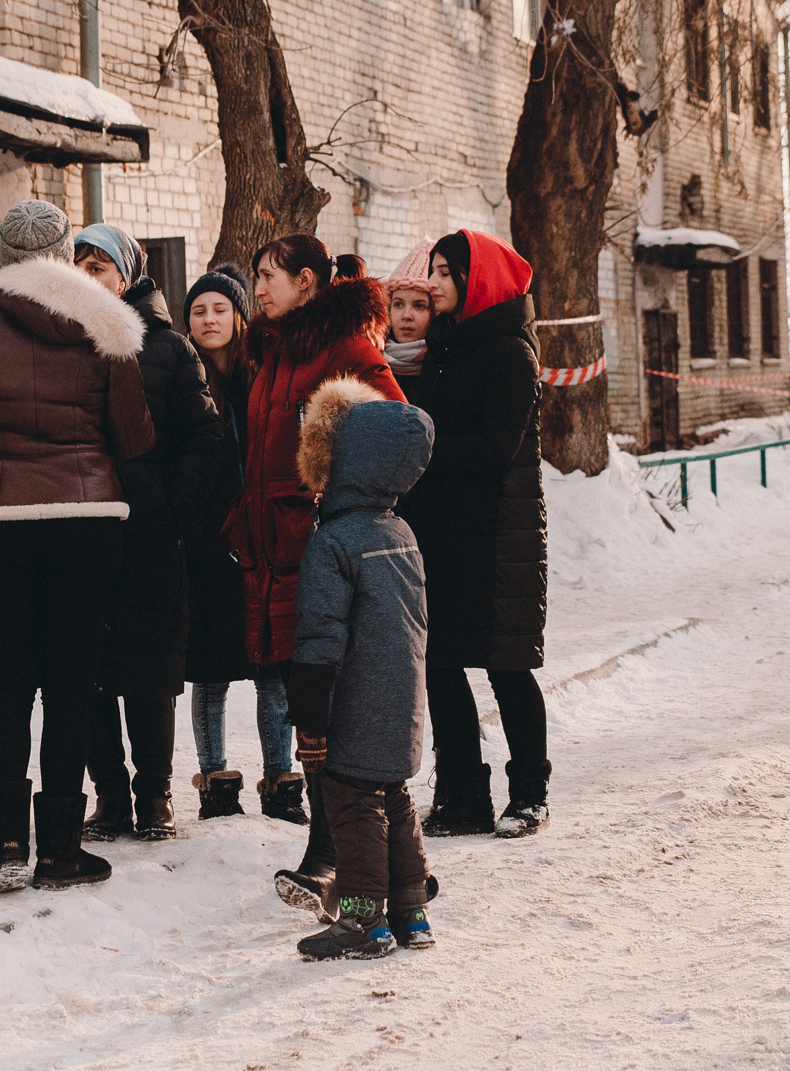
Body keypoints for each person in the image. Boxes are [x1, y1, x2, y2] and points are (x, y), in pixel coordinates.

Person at [0, 199, 155, 895]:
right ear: (64, 254)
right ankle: (61, 848)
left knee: (8, 682)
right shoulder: (107, 328)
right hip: (87, 519)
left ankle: (4, 847)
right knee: (73, 684)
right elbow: (135, 437)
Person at [226, 234, 402, 836]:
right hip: (272, 550)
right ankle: (339, 846)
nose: (257, 289)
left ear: (306, 280)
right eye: (255, 276)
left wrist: (338, 508)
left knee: (331, 701)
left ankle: (347, 848)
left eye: (268, 275)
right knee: (304, 699)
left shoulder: (344, 345)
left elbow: (400, 432)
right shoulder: (276, 351)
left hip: (322, 551)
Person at [72, 224, 224, 843]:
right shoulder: (65, 341)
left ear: (128, 274)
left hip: (149, 534)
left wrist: (169, 509)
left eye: (99, 267)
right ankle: (109, 796)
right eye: (78, 266)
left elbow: (205, 437)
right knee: (86, 669)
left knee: (150, 667)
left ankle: (153, 796)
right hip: (82, 529)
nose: (88, 278)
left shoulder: (168, 348)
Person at [396, 230, 550, 839]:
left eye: (443, 272)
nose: (431, 283)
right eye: (432, 271)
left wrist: (418, 449)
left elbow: (495, 446)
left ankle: (530, 794)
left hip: (496, 534)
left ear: (474, 280)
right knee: (440, 663)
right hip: (441, 530)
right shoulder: (444, 347)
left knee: (507, 664)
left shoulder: (511, 352)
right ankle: (464, 795)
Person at [284, 378, 437, 960]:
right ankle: (411, 911)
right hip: (402, 700)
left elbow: (323, 639)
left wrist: (310, 712)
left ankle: (361, 920)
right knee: (395, 799)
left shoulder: (335, 543)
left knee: (351, 805)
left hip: (352, 703)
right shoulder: (400, 533)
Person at [181, 265, 279, 820]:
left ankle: (281, 780)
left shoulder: (262, 373)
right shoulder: (183, 374)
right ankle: (215, 782)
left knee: (272, 664)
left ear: (239, 316)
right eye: (199, 310)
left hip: (263, 537)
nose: (209, 319)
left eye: (220, 309)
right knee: (211, 667)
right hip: (207, 542)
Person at [382, 240, 437, 404]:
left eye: (419, 306)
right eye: (398, 304)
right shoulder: (369, 362)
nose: (406, 315)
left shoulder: (448, 368)